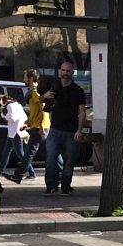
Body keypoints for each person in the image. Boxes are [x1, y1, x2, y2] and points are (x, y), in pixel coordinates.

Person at [42, 62, 86, 197]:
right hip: (54, 129)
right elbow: (42, 105)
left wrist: (79, 130)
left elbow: (82, 112)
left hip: (70, 130)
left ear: (72, 73)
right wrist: (45, 96)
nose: (65, 73)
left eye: (68, 71)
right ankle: (51, 186)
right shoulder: (54, 89)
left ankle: (66, 186)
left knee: (69, 159)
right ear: (60, 71)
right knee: (50, 156)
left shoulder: (77, 91)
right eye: (63, 70)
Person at [7, 70, 48, 183]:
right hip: (38, 125)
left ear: (30, 78)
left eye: (25, 78)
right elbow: (35, 111)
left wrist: (41, 125)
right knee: (50, 152)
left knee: (29, 153)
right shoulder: (33, 92)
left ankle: (18, 175)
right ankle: (60, 173)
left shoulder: (34, 92)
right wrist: (27, 123)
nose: (23, 80)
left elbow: (43, 106)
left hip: (39, 127)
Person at [0, 95, 28, 182]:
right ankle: (0, 172)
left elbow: (12, 118)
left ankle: (32, 172)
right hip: (13, 133)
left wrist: (4, 115)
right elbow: (25, 117)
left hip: (14, 133)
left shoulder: (10, 106)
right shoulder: (18, 105)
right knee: (6, 153)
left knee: (21, 154)